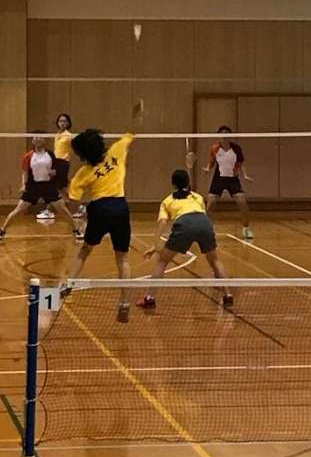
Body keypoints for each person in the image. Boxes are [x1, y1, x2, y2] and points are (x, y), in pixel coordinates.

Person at [136, 169, 232, 310]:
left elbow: (162, 222)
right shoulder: (197, 197)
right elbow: (201, 214)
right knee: (215, 260)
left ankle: (150, 299)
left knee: (162, 261)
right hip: (205, 223)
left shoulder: (167, 201)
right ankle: (228, 295)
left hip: (184, 225)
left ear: (173, 184)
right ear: (188, 183)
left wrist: (155, 245)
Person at [65, 129, 135, 322]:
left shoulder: (83, 173)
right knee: (122, 259)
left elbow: (74, 199)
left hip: (99, 209)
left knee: (85, 250)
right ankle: (124, 303)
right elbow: (129, 137)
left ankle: (68, 284)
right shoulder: (116, 152)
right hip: (120, 208)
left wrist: (78, 209)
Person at [0, 134, 83, 240]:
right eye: (35, 138)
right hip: (33, 187)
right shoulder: (28, 156)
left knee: (63, 210)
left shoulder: (50, 155)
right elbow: (25, 172)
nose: (37, 139)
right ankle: (2, 230)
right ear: (33, 141)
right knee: (18, 210)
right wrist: (24, 185)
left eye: (40, 137)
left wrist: (54, 172)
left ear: (44, 140)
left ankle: (76, 230)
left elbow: (56, 168)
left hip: (48, 187)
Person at [203, 125, 254, 240]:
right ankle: (207, 228)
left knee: (242, 203)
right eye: (222, 133)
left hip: (233, 179)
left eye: (227, 133)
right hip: (218, 179)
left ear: (230, 135)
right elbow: (212, 162)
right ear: (219, 136)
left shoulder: (236, 148)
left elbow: (240, 163)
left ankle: (246, 228)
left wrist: (245, 175)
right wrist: (207, 168)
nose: (224, 135)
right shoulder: (215, 148)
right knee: (210, 204)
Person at [36, 113, 85, 221]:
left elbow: (76, 146)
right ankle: (79, 207)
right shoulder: (57, 135)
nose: (62, 123)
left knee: (51, 186)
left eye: (64, 121)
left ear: (68, 123)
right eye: (60, 121)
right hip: (56, 162)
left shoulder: (68, 136)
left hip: (62, 163)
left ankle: (48, 211)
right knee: (62, 188)